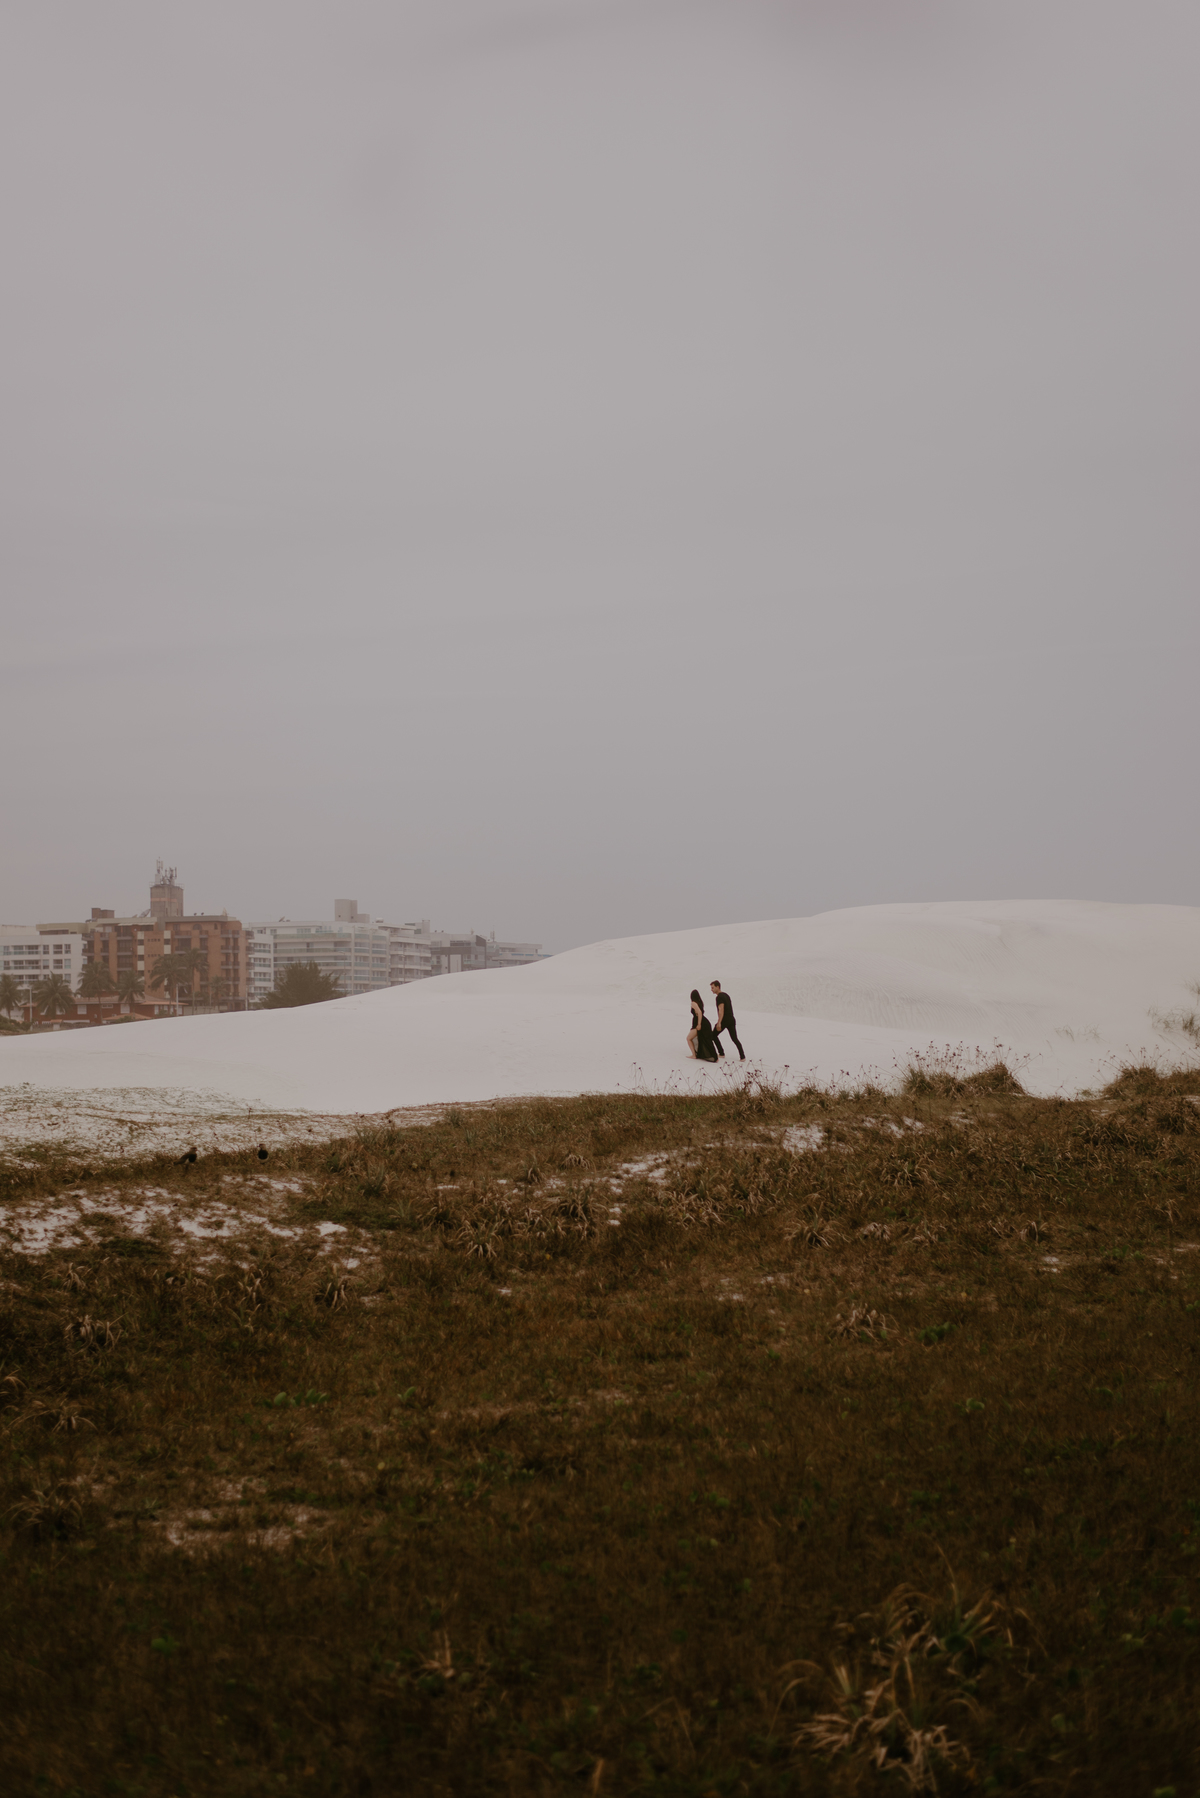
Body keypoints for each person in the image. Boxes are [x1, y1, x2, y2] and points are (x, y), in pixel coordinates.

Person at [710, 980, 745, 1060]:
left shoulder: (719, 997)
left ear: (717, 987)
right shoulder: (726, 995)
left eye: (712, 987)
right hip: (731, 1019)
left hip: (724, 1020)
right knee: (734, 1039)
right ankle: (742, 1056)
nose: (711, 989)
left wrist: (719, 1023)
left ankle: (721, 1053)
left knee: (713, 1035)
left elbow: (721, 1009)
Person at [687, 988, 719, 1062]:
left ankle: (694, 1055)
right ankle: (714, 1056)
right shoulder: (700, 1002)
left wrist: (699, 1024)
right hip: (705, 1022)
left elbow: (699, 1012)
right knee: (706, 1040)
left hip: (700, 1022)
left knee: (689, 1038)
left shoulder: (693, 1003)